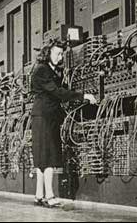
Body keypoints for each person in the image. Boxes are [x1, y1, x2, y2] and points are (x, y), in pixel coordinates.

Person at [30, 40, 97, 207]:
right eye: (57, 54)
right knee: (49, 155)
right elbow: (56, 92)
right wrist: (83, 96)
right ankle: (50, 196)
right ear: (47, 53)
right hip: (44, 117)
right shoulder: (42, 70)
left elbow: (58, 91)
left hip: (47, 116)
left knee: (42, 157)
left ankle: (39, 195)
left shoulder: (50, 70)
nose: (60, 58)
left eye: (61, 54)